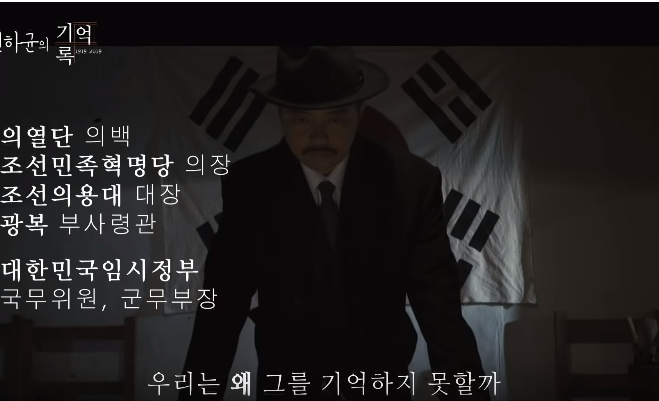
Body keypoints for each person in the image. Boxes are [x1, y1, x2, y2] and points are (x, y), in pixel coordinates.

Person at [180, 46, 489, 400]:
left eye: (335, 118)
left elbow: (441, 316)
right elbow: (219, 315)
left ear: (360, 112)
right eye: (301, 119)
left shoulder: (410, 184)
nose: (318, 136)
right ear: (281, 115)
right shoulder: (250, 187)